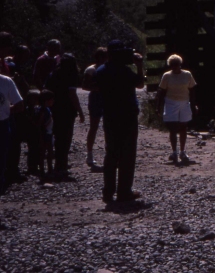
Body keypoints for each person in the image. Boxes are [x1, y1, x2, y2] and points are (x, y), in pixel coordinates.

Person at [92, 40, 144, 203]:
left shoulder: (101, 71)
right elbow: (140, 83)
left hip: (110, 115)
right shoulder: (125, 70)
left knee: (111, 153)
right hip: (127, 115)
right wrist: (139, 66)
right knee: (127, 154)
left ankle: (108, 191)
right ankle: (124, 191)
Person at [44, 53, 85, 177]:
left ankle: (54, 165)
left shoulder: (53, 73)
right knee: (65, 139)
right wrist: (80, 111)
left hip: (53, 108)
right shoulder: (71, 75)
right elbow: (72, 94)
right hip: (66, 110)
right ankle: (61, 165)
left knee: (55, 136)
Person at [157, 54, 198, 164]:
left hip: (184, 102)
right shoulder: (167, 76)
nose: (174, 66)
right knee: (173, 127)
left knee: (183, 126)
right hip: (171, 102)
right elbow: (161, 91)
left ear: (180, 64)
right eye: (172, 64)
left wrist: (194, 104)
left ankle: (182, 151)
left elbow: (192, 90)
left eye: (176, 64)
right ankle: (174, 151)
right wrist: (158, 106)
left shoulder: (187, 74)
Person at [0, 32, 25, 194]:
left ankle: (9, 172)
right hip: (5, 108)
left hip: (6, 108)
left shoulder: (5, 62)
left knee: (11, 143)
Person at [82, 47, 108, 167]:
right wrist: (99, 88)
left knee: (108, 127)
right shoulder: (91, 70)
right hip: (96, 98)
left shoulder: (108, 68)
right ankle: (89, 154)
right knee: (94, 126)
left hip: (106, 98)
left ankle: (109, 153)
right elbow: (85, 86)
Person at [36, 90, 54, 177]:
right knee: (43, 152)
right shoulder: (43, 110)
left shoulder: (47, 109)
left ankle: (50, 168)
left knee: (50, 152)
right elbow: (39, 123)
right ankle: (42, 169)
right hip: (45, 134)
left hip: (49, 133)